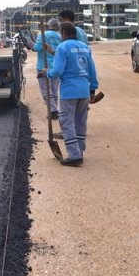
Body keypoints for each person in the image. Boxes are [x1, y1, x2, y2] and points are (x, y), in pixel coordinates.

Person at [47, 22, 99, 167]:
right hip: (83, 90)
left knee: (67, 122)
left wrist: (47, 73)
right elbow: (92, 70)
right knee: (80, 121)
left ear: (63, 32)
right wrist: (92, 89)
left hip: (69, 91)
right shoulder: (85, 47)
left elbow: (57, 71)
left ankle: (75, 156)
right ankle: (80, 150)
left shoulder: (62, 48)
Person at [33, 18, 62, 120]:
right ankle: (54, 110)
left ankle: (53, 111)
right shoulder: (60, 36)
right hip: (56, 66)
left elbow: (36, 48)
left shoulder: (43, 35)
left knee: (45, 90)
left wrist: (31, 44)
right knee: (54, 89)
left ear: (49, 25)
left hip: (43, 66)